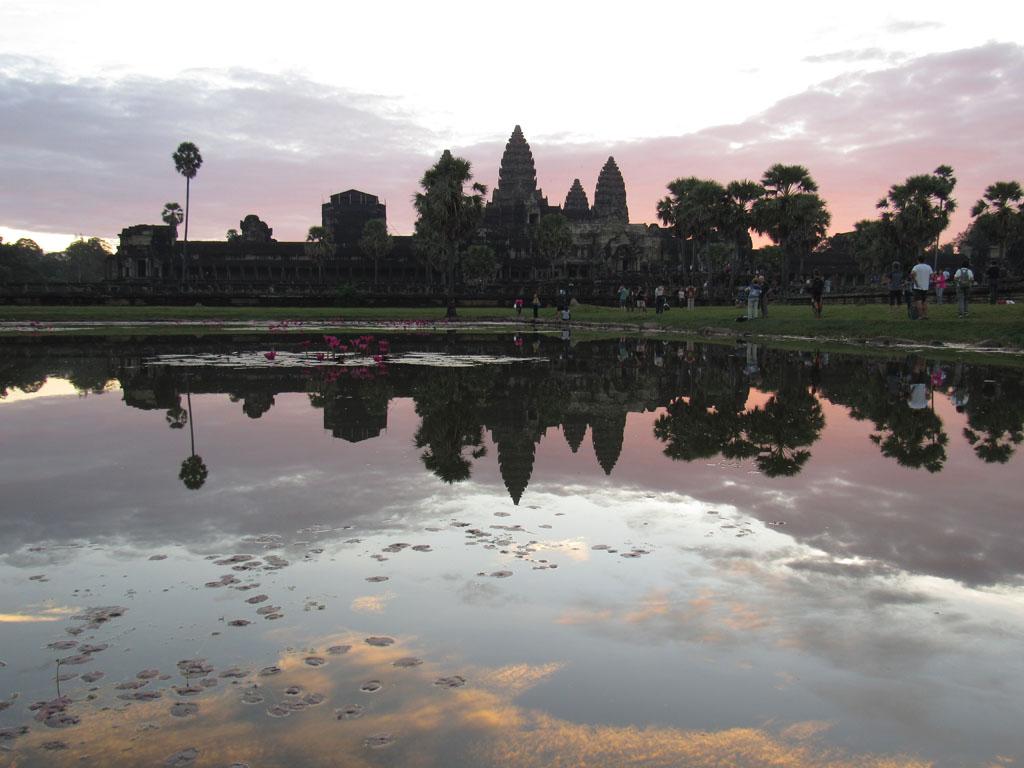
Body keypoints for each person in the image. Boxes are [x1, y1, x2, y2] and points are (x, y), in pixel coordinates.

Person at [909, 255, 933, 320]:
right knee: (924, 301)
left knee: (918, 302)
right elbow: (932, 276)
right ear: (924, 260)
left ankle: (920, 316)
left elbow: (912, 274)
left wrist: (915, 280)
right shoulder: (928, 267)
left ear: (918, 260)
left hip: (917, 287)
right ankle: (925, 315)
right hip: (925, 287)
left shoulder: (916, 267)